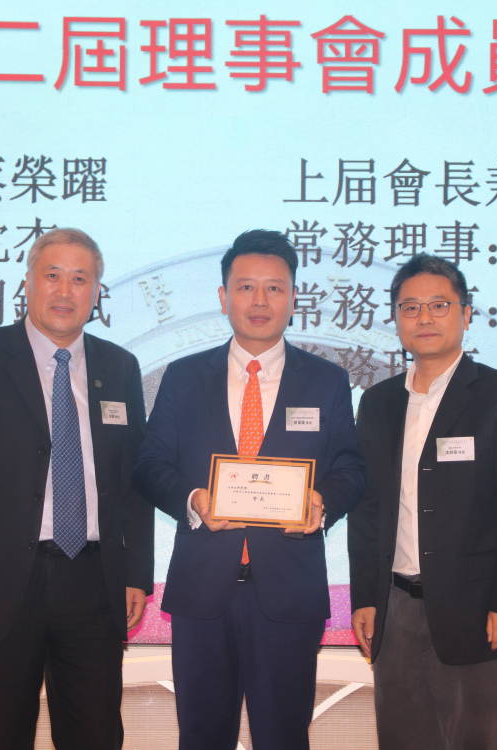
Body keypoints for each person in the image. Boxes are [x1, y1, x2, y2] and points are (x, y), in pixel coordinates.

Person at [0, 228, 154, 750]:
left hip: (93, 579)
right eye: (52, 276)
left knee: (95, 735)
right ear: (27, 283)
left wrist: (137, 573)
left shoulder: (119, 367)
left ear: (96, 292)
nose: (65, 291)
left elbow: (132, 482)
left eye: (80, 279)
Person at [134, 229, 365, 750]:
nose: (260, 301)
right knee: (201, 736)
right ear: (223, 297)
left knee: (283, 736)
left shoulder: (326, 381)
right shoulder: (183, 377)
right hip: (202, 590)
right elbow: (150, 464)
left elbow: (350, 467)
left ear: (293, 298)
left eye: (274, 288)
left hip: (289, 591)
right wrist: (193, 501)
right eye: (245, 287)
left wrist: (324, 501)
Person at [348, 254, 497, 750]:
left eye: (439, 305)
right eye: (410, 307)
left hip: (480, 610)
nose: (424, 318)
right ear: (396, 319)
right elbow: (367, 509)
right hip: (396, 608)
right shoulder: (378, 402)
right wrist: (366, 597)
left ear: (466, 313)